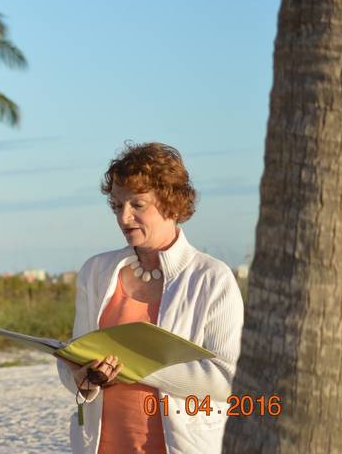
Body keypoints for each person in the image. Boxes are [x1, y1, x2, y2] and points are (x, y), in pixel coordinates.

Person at [57, 143, 243, 454]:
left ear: (171, 203)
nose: (124, 217)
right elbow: (74, 361)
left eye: (137, 204)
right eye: (117, 206)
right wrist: (82, 379)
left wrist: (134, 365)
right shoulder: (96, 271)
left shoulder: (212, 278)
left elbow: (228, 380)